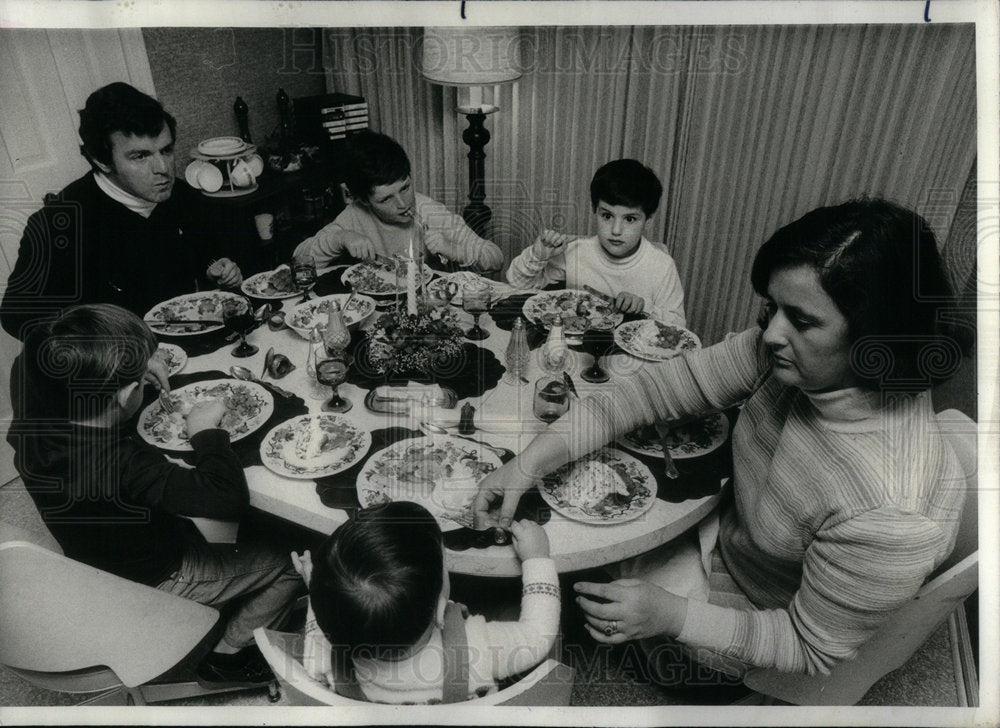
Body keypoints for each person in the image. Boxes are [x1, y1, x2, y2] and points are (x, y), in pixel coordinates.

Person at [475, 199, 966, 680]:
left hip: (759, 613)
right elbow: (649, 393)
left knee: (571, 571)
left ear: (878, 336)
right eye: (771, 308)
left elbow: (810, 647)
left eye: (801, 320)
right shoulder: (790, 353)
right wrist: (525, 465)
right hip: (727, 533)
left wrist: (671, 616)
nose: (771, 333)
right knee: (577, 508)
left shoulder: (893, 515)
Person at [7, 304, 301, 686]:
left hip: (98, 559)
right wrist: (204, 430)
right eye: (138, 382)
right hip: (158, 576)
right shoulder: (122, 464)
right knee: (293, 556)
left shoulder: (34, 417)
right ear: (129, 393)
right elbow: (227, 497)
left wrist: (128, 372)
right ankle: (230, 656)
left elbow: (29, 355)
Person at [0, 82, 242, 341]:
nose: (163, 168)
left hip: (186, 344)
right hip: (115, 367)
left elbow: (203, 250)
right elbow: (18, 317)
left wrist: (215, 268)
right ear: (101, 160)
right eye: (140, 156)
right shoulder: (59, 222)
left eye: (166, 150)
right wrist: (108, 350)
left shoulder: (179, 195)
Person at [293, 501, 560, 703]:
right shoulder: (477, 648)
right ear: (441, 612)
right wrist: (537, 558)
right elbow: (538, 635)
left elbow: (321, 631)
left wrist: (318, 587)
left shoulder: (326, 657)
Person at [506, 159, 686, 327]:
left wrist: (644, 308)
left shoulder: (662, 265)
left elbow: (678, 326)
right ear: (594, 211)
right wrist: (537, 256)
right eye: (607, 216)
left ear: (649, 220)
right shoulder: (576, 251)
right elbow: (516, 285)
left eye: (630, 219)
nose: (616, 230)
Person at [292, 131, 505, 272]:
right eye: (386, 199)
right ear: (364, 201)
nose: (403, 203)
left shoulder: (430, 212)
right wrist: (339, 238)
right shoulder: (354, 214)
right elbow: (299, 261)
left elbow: (495, 258)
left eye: (405, 187)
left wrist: (454, 250)